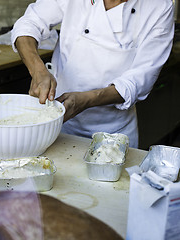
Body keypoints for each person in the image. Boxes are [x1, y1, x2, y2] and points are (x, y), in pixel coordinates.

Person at [11, 0, 174, 148]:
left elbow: (140, 79)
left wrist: (87, 100)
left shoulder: (159, 7)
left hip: (114, 132)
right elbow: (29, 23)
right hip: (59, 124)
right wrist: (38, 70)